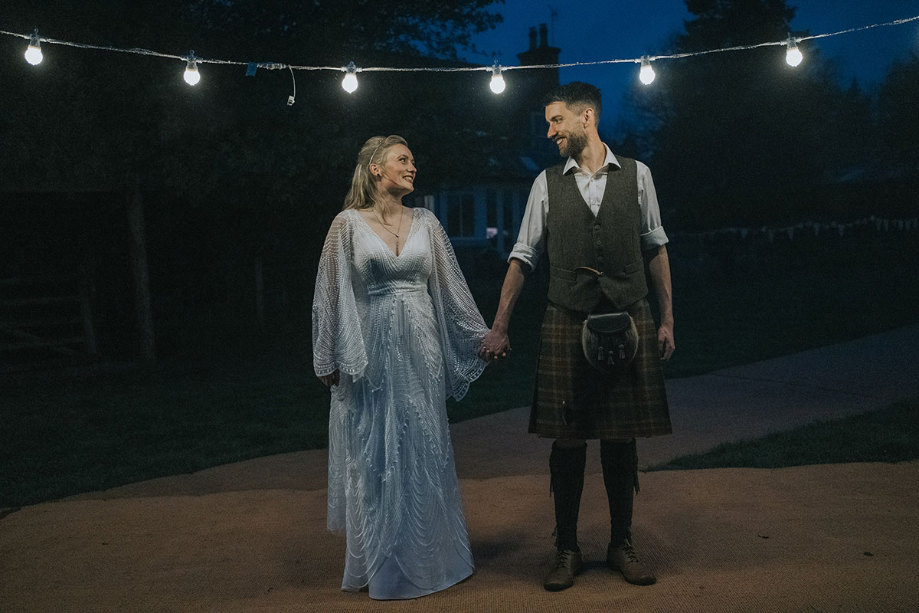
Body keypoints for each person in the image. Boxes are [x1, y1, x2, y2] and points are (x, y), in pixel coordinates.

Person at [479, 82, 675, 592]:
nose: (550, 132)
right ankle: (566, 548)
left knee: (619, 435)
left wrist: (668, 318)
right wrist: (499, 324)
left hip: (629, 319)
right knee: (568, 439)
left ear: (585, 117)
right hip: (567, 317)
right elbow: (523, 256)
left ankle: (621, 544)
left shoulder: (638, 176)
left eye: (556, 121)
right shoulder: (545, 183)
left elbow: (656, 249)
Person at [312, 135, 489, 600]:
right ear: (375, 168)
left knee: (422, 439)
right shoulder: (346, 225)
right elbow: (329, 293)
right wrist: (326, 353)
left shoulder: (427, 222)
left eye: (413, 159)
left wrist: (481, 337)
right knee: (375, 448)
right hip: (370, 351)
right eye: (403, 159)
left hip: (422, 348)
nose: (413, 167)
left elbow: (451, 289)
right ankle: (384, 564)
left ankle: (434, 559)